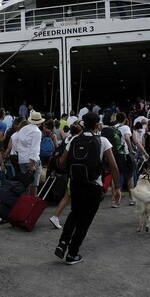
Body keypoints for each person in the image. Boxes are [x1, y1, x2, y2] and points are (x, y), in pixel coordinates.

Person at [54, 112, 121, 265]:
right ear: (98, 125)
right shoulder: (102, 140)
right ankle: (72, 253)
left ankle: (62, 243)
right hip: (93, 185)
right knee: (85, 221)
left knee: (74, 214)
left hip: (76, 182)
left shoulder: (74, 139)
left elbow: (62, 162)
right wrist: (117, 188)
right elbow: (114, 166)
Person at [18, 112, 45, 196]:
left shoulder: (23, 129)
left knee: (25, 184)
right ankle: (31, 203)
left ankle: (24, 203)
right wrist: (32, 163)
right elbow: (34, 148)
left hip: (22, 159)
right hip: (32, 160)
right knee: (34, 184)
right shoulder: (37, 132)